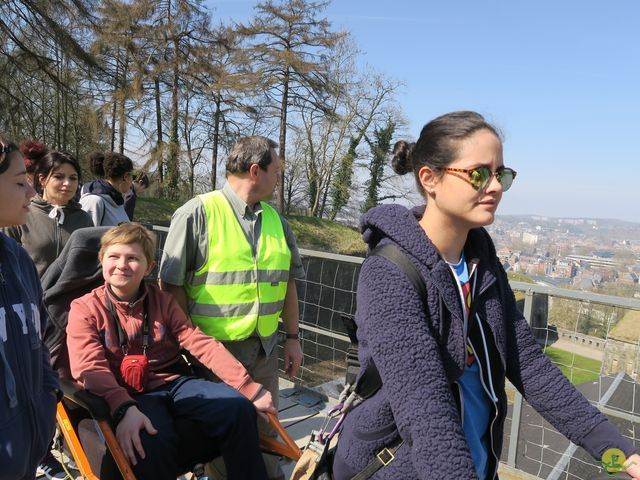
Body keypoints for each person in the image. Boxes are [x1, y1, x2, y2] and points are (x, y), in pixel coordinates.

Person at [332, 111, 640, 480]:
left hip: (476, 463)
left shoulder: (482, 265)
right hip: (399, 468)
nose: (494, 186)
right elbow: (425, 413)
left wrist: (617, 454)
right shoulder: (389, 273)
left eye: (501, 174)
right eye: (478, 173)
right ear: (429, 178)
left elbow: (529, 366)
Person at [66, 223, 274, 479]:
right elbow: (89, 366)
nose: (122, 265)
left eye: (133, 258)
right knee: (148, 441)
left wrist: (247, 386)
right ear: (102, 260)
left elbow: (198, 342)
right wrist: (123, 408)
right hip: (126, 392)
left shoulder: (162, 301)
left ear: (149, 267)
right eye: (114, 256)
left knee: (238, 407)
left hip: (172, 380)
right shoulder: (84, 308)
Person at [159, 135, 304, 480]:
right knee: (223, 441)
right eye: (276, 171)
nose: (279, 178)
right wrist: (188, 344)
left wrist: (294, 338)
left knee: (266, 433)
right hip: (214, 357)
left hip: (265, 352)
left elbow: (288, 284)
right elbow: (170, 286)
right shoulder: (196, 214)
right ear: (256, 171)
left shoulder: (278, 222)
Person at [0, 135, 60, 480]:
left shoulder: (18, 259)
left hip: (26, 449)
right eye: (20, 182)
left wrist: (47, 396)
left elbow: (37, 339)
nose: (32, 193)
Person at [3, 150, 93, 277]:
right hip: (29, 294)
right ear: (42, 179)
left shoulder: (84, 219)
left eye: (73, 178)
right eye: (59, 177)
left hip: (72, 295)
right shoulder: (20, 214)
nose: (67, 183)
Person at [79, 152, 133, 226]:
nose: (132, 181)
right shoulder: (94, 201)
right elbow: (82, 235)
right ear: (126, 176)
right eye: (133, 176)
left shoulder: (117, 201)